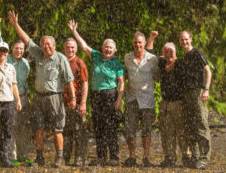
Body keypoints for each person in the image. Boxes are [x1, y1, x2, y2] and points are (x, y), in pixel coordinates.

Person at [8, 10, 76, 168]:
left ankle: (59, 158)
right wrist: (15, 25)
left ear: (54, 45)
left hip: (55, 97)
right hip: (38, 97)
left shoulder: (61, 58)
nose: (46, 47)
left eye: (48, 44)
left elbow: (69, 79)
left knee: (58, 129)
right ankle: (40, 157)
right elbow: (27, 40)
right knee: (38, 128)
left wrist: (73, 98)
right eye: (43, 44)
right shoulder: (38, 55)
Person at [68, 20, 125, 166]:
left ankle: (113, 157)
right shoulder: (97, 56)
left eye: (111, 48)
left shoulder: (117, 64)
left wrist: (119, 100)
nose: (108, 49)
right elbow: (84, 46)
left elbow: (122, 83)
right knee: (98, 126)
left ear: (115, 50)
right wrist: (74, 32)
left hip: (110, 95)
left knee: (111, 126)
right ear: (102, 48)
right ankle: (101, 157)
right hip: (96, 95)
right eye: (106, 47)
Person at [0, 16, 32, 163]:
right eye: (16, 48)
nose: (19, 51)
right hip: (9, 98)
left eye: (21, 49)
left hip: (23, 98)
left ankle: (23, 154)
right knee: (11, 128)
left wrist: (27, 97)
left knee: (24, 128)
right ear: (12, 50)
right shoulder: (7, 60)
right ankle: (12, 156)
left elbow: (25, 83)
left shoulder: (26, 64)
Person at [147, 31, 189, 167]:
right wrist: (152, 38)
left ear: (175, 52)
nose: (169, 54)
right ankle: (169, 158)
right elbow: (149, 53)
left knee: (182, 131)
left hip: (179, 103)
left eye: (171, 52)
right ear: (163, 54)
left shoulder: (181, 64)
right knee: (166, 132)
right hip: (165, 103)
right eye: (166, 52)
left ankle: (187, 157)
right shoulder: (161, 63)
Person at [123, 31, 158, 167]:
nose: (138, 44)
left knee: (146, 130)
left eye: (140, 42)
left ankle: (145, 157)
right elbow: (123, 76)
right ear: (133, 43)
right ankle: (132, 156)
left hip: (147, 99)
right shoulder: (127, 58)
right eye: (135, 42)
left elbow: (157, 76)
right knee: (130, 129)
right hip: (131, 98)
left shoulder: (152, 59)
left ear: (144, 43)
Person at [179, 31, 212, 169]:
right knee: (190, 126)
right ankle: (195, 157)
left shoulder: (197, 53)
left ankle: (204, 158)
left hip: (198, 92)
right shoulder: (184, 56)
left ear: (191, 39)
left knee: (201, 125)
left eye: (186, 39)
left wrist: (206, 89)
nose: (184, 42)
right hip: (186, 94)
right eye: (182, 40)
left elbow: (208, 71)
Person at [62, 38, 88, 166]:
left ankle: (79, 158)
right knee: (66, 132)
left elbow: (85, 84)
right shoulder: (61, 61)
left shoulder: (79, 63)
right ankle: (65, 157)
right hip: (63, 103)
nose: (70, 49)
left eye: (72, 47)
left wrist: (83, 103)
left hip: (77, 102)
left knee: (79, 131)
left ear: (76, 49)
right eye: (67, 47)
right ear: (64, 49)